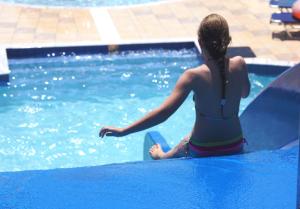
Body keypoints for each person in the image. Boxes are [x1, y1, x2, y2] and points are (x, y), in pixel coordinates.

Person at [99, 14, 250, 159]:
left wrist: (124, 130)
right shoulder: (239, 64)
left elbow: (164, 113)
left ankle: (163, 156)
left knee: (186, 140)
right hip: (234, 144)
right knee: (189, 136)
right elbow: (245, 93)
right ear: (228, 40)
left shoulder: (193, 76)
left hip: (204, 148)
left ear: (200, 42)